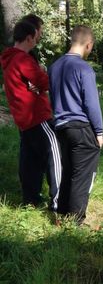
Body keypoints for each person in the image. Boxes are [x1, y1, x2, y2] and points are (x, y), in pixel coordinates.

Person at [0, 20, 62, 210]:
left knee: (30, 160)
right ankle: (59, 201)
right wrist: (42, 71)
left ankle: (30, 200)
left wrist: (34, 85)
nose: (37, 41)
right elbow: (43, 83)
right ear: (28, 38)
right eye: (36, 38)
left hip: (23, 120)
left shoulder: (9, 59)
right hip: (37, 117)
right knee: (55, 153)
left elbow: (31, 85)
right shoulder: (23, 60)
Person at [48, 25, 103, 225]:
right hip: (81, 126)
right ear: (88, 45)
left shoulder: (54, 67)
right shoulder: (84, 68)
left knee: (68, 169)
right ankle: (76, 220)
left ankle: (62, 212)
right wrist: (99, 131)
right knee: (83, 174)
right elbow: (91, 103)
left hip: (61, 126)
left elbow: (53, 98)